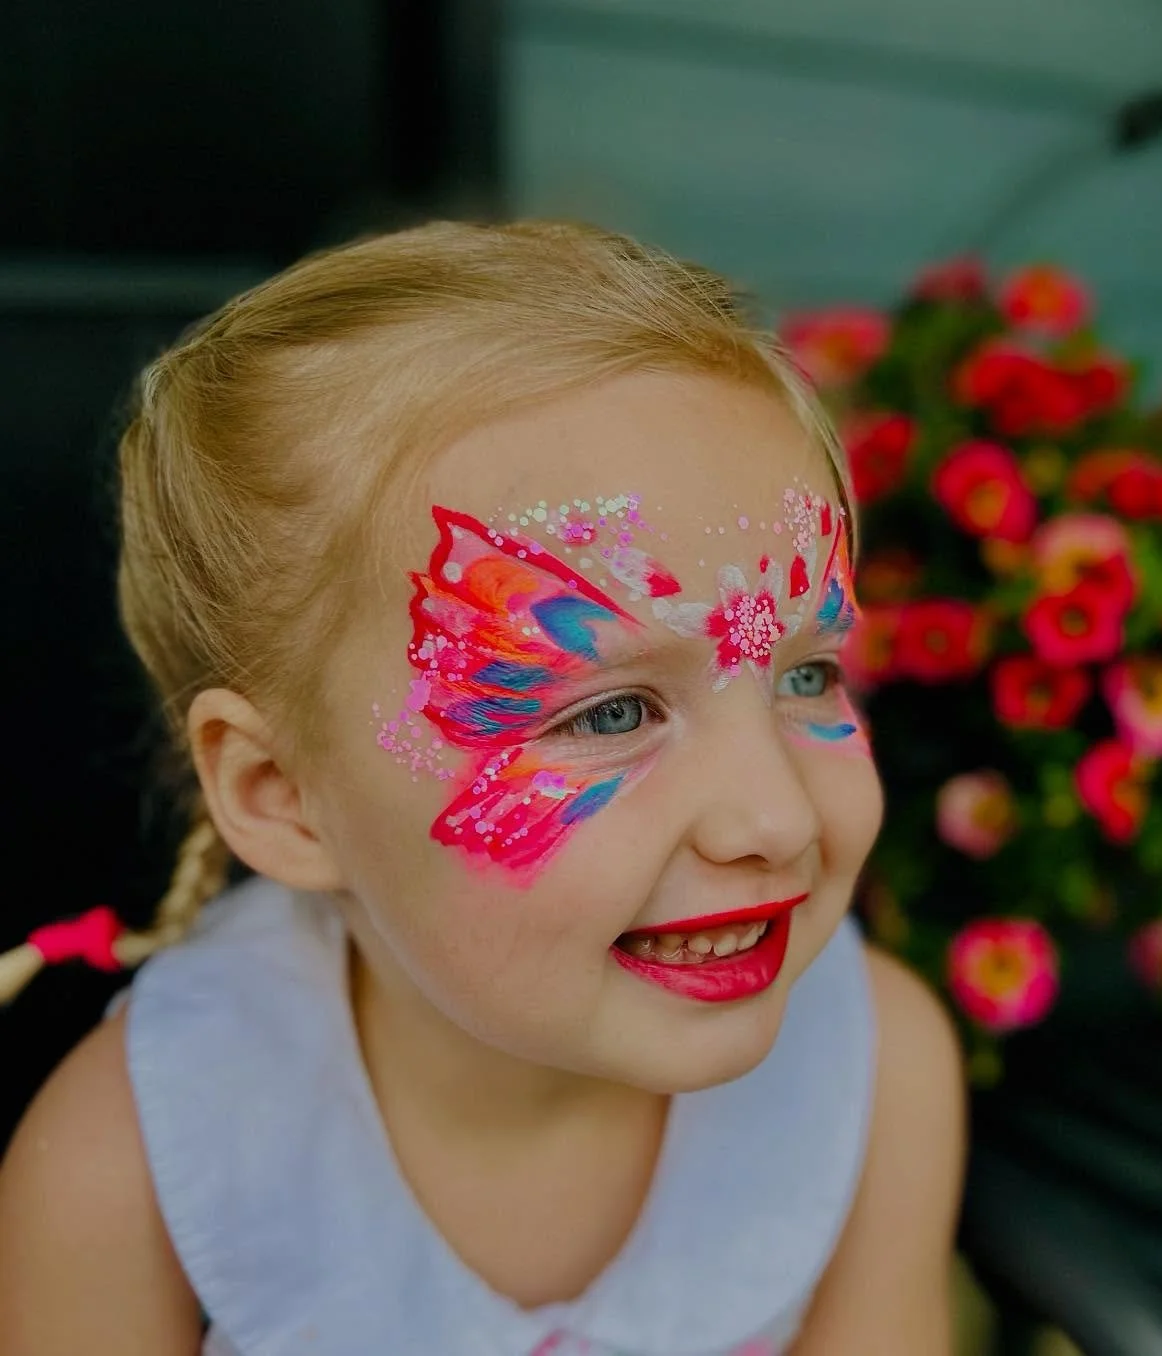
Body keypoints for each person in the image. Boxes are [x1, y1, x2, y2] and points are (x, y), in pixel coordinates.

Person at [0, 220, 965, 1355]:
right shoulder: (128, 1174)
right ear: (280, 794)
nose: (778, 817)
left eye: (805, 673)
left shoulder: (874, 1071)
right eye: (611, 712)